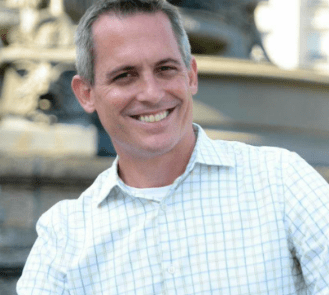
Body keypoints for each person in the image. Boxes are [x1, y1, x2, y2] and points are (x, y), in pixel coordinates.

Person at [17, 0, 329, 294]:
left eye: (166, 69)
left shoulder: (282, 181)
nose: (152, 94)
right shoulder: (64, 237)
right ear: (86, 93)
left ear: (191, 75)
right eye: (125, 76)